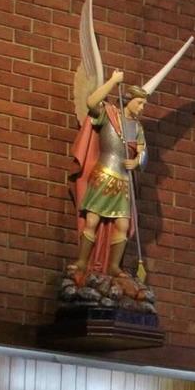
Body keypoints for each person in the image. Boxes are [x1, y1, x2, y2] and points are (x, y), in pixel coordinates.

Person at [69, 71, 148, 298]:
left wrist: (137, 161)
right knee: (92, 220)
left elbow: (143, 152)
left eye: (143, 104)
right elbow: (91, 102)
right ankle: (82, 261)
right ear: (129, 100)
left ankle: (114, 266)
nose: (142, 107)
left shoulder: (136, 128)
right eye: (140, 102)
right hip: (103, 174)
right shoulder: (109, 113)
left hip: (123, 180)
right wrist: (113, 81)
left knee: (122, 224)